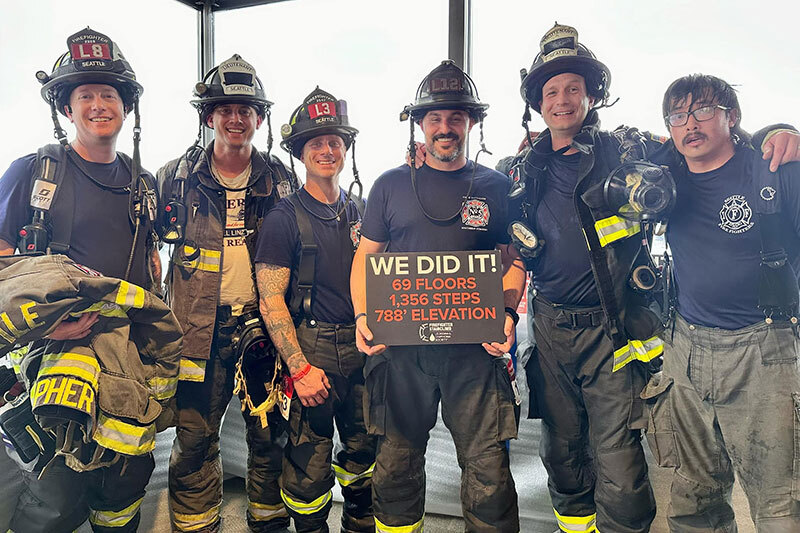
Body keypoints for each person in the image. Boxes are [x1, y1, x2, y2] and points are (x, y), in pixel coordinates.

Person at [512, 23, 800, 533]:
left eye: (573, 87)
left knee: (624, 464)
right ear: (538, 102)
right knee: (565, 456)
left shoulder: (628, 152)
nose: (562, 99)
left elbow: (712, 148)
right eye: (551, 91)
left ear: (591, 94)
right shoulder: (522, 169)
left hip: (618, 332)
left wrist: (774, 131)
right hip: (559, 331)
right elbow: (504, 241)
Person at [0, 28, 168, 532]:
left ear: (126, 107)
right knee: (56, 494)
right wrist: (47, 330)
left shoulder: (143, 183)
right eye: (86, 95)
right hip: (53, 360)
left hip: (127, 358)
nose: (99, 105)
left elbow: (150, 263)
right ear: (67, 109)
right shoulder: (33, 173)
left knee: (125, 477)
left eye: (109, 95)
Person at [351, 60, 525, 533]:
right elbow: (367, 259)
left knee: (488, 469)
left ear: (471, 122)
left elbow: (513, 260)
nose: (444, 127)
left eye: (455, 117)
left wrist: (507, 315)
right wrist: (365, 314)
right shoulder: (389, 186)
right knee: (397, 467)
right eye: (434, 118)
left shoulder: (496, 187)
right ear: (420, 124)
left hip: (474, 354)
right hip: (402, 353)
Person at [645, 73, 800, 531]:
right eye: (678, 115)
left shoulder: (775, 172)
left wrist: (782, 131)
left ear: (732, 117)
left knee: (780, 506)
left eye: (704, 111)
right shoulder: (666, 179)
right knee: (694, 500)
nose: (690, 123)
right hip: (685, 349)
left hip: (764, 352)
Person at [157, 54, 297, 533]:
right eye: (225, 108)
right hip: (197, 331)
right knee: (194, 437)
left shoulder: (280, 179)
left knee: (268, 435)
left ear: (259, 118)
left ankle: (267, 521)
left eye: (246, 109)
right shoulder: (174, 178)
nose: (236, 118)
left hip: (261, 327)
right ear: (208, 116)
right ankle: (197, 526)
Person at [255, 87, 375, 533]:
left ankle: (360, 524)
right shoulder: (283, 218)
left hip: (364, 345)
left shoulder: (362, 211)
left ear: (345, 148)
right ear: (300, 154)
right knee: (309, 461)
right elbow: (270, 300)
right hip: (312, 346)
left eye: (334, 141)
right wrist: (299, 369)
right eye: (316, 144)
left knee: (365, 452)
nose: (327, 150)